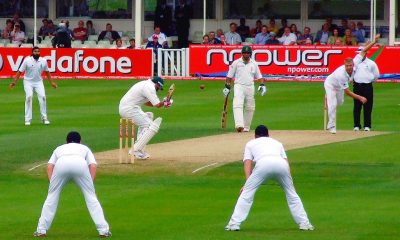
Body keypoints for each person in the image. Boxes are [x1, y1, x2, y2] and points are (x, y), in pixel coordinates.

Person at [225, 125, 314, 231]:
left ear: (255, 136)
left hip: (263, 163)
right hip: (281, 165)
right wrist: (290, 183)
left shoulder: (250, 143)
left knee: (247, 194)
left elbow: (247, 162)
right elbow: (285, 162)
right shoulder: (277, 143)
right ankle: (305, 224)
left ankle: (234, 224)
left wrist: (246, 184)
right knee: (292, 194)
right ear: (268, 135)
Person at [33, 131, 111, 238]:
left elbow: (49, 166)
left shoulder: (59, 148)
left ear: (66, 141)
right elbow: (92, 166)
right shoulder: (84, 148)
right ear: (80, 141)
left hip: (61, 164)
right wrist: (90, 185)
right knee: (91, 197)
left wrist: (53, 184)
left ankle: (41, 230)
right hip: (80, 164)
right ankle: (103, 230)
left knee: (52, 196)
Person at [323, 36, 379, 134]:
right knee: (332, 104)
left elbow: (364, 50)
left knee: (339, 103)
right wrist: (360, 98)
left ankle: (329, 98)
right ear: (344, 65)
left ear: (353, 64)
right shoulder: (341, 74)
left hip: (340, 87)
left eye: (350, 66)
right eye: (347, 66)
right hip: (331, 85)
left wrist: (374, 41)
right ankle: (331, 125)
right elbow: (348, 92)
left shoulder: (356, 62)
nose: (349, 68)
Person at [119, 77, 173, 159]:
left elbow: (148, 103)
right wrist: (165, 102)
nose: (158, 90)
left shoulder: (145, 84)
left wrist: (164, 103)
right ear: (157, 84)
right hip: (129, 109)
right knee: (152, 126)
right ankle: (135, 150)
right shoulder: (149, 87)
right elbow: (157, 105)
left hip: (130, 107)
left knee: (149, 116)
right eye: (158, 88)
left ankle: (139, 150)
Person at [9, 47, 58, 126]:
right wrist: (14, 82)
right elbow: (19, 72)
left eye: (38, 51)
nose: (37, 53)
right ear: (32, 52)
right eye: (35, 51)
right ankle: (27, 119)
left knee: (43, 97)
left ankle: (44, 118)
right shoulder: (27, 60)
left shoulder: (43, 61)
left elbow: (47, 72)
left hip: (38, 82)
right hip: (28, 81)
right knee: (29, 97)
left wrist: (52, 83)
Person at [222, 46, 266, 132]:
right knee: (237, 104)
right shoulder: (236, 63)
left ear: (250, 54)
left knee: (250, 107)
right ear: (242, 53)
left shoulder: (254, 63)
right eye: (245, 53)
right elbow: (229, 76)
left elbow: (259, 76)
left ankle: (246, 127)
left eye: (248, 53)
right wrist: (227, 87)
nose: (246, 54)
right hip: (239, 86)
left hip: (250, 86)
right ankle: (239, 125)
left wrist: (262, 84)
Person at [352, 35, 380, 131]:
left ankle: (367, 126)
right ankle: (356, 125)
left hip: (367, 86)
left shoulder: (371, 63)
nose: (359, 54)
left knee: (368, 106)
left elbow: (376, 75)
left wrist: (369, 81)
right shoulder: (355, 62)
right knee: (357, 106)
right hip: (357, 86)